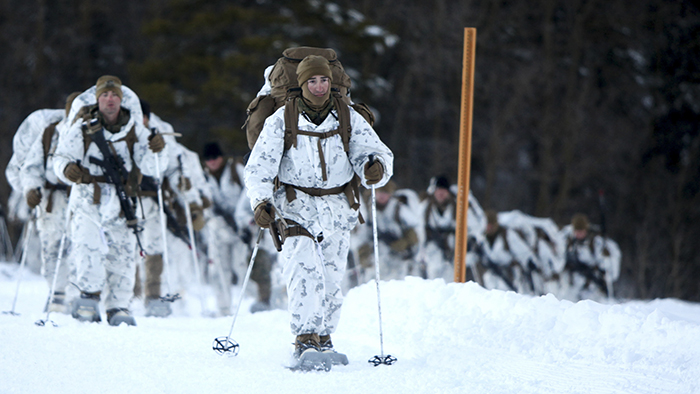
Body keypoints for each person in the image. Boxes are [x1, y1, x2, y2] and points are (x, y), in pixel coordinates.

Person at [244, 55, 393, 365]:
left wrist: (375, 169)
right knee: (302, 271)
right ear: (301, 84)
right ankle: (304, 339)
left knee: (330, 276)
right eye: (312, 81)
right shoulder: (281, 120)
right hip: (295, 206)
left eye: (324, 80)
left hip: (337, 208)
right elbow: (258, 168)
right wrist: (261, 202)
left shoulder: (348, 117)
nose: (319, 86)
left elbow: (374, 153)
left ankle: (324, 337)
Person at [53, 75, 168, 326]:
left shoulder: (136, 130)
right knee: (87, 248)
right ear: (97, 98)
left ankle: (118, 306)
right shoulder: (82, 128)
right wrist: (66, 170)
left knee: (124, 255)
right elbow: (60, 157)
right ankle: (88, 297)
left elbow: (153, 168)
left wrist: (159, 149)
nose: (110, 99)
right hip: (88, 198)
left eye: (114, 94)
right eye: (105, 95)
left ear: (121, 98)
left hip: (122, 200)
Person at [19, 92, 81, 312]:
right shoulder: (50, 133)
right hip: (51, 200)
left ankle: (76, 294)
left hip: (80, 199)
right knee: (51, 246)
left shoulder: (89, 133)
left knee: (78, 247)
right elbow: (31, 166)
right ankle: (56, 292)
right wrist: (30, 189)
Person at [201, 142, 248, 316]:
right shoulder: (204, 177)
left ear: (221, 157)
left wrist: (245, 218)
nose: (212, 162)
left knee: (241, 265)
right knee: (219, 269)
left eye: (214, 157)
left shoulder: (235, 170)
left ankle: (250, 305)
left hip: (241, 228)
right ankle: (224, 308)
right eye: (208, 159)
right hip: (218, 229)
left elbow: (250, 191)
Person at [356, 181, 422, 282]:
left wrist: (403, 244)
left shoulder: (399, 209)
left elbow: (413, 235)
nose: (382, 196)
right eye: (379, 192)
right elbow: (363, 236)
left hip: (398, 258)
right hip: (376, 258)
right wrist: (363, 255)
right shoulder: (368, 210)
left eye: (385, 193)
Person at [560, 213, 621, 301]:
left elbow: (608, 264)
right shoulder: (568, 241)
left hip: (593, 286)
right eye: (577, 231)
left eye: (581, 231)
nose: (579, 234)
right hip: (573, 284)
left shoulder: (596, 242)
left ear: (586, 230)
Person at [473, 210, 536, 293]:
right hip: (491, 278)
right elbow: (471, 260)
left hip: (509, 276)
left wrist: (528, 261)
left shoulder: (506, 235)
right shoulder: (482, 239)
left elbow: (521, 250)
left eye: (490, 225)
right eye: (487, 225)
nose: (488, 228)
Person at [419, 175, 457, 281]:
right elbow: (420, 229)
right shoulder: (426, 207)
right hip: (433, 249)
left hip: (454, 250)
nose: (441, 193)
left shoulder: (457, 206)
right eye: (438, 190)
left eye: (443, 190)